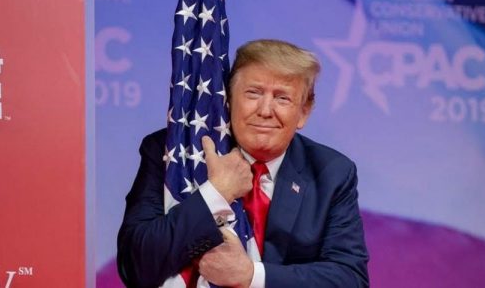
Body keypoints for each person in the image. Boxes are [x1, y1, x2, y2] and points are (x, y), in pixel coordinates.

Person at [117, 39, 369, 288]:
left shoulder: (331, 173)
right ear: (227, 99)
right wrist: (215, 193)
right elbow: (135, 265)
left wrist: (251, 276)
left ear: (304, 112)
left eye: (282, 98)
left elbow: (350, 279)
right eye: (253, 93)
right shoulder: (174, 153)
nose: (265, 110)